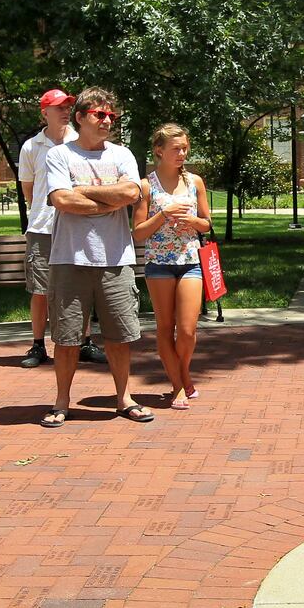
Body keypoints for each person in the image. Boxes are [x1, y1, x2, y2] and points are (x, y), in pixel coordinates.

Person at [39, 88, 151, 427]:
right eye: (99, 115)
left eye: (111, 117)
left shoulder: (121, 155)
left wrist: (81, 190)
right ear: (80, 117)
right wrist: (109, 200)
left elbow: (132, 192)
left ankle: (123, 398)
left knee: (119, 335)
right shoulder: (59, 155)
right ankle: (61, 401)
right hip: (69, 258)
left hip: (115, 259)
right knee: (67, 337)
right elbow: (61, 200)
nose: (106, 121)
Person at [132, 124, 212, 411]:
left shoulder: (195, 182)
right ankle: (178, 385)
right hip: (159, 264)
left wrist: (193, 222)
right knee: (165, 328)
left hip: (190, 261)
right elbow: (138, 232)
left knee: (188, 330)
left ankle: (184, 372)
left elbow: (206, 222)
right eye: (176, 148)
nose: (182, 153)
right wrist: (163, 214)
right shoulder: (146, 185)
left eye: (185, 148)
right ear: (159, 151)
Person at [15, 89, 76, 368]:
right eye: (59, 107)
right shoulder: (31, 147)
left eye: (68, 106)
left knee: (79, 288)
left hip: (75, 226)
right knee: (40, 290)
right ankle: (38, 345)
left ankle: (83, 341)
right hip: (42, 227)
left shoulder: (79, 142)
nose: (65, 111)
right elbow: (29, 190)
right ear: (45, 112)